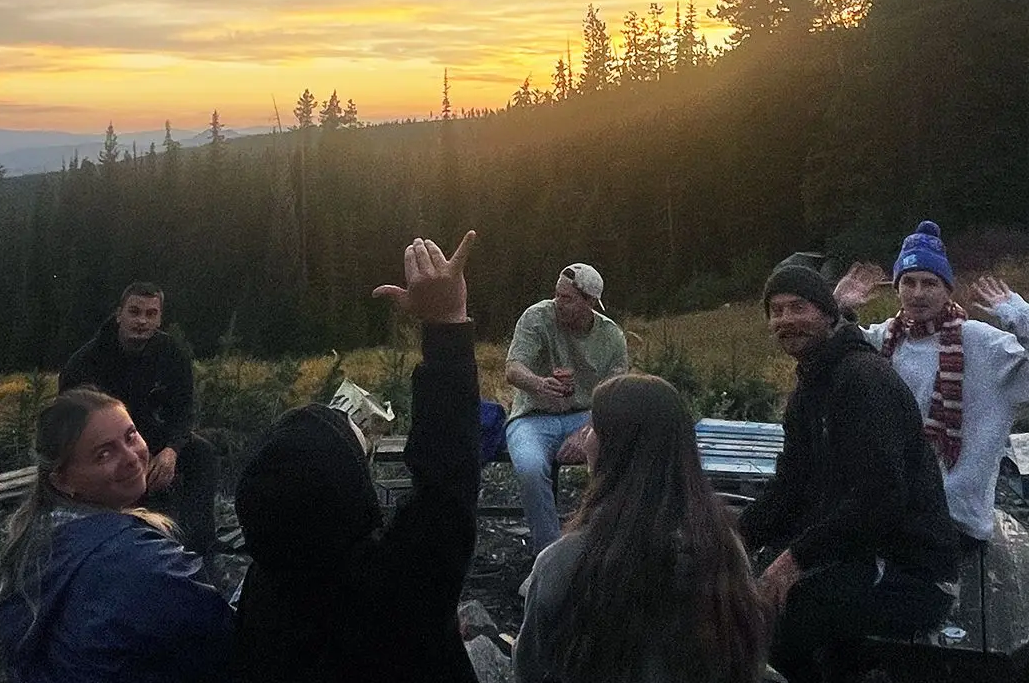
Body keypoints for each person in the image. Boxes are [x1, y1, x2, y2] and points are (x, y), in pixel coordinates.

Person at [232, 231, 481, 683]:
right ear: (350, 494)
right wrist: (446, 321)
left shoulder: (264, 592)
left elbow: (446, 488)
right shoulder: (401, 587)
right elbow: (449, 477)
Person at [739, 263, 960, 683]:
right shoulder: (811, 387)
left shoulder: (860, 381)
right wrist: (734, 539)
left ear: (826, 313)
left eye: (798, 307)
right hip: (863, 552)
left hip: (911, 570)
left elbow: (880, 500)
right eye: (776, 311)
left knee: (779, 620)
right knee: (754, 591)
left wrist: (793, 560)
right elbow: (789, 485)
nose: (786, 320)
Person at [513, 373, 770, 683]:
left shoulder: (565, 560)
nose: (585, 438)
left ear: (616, 446)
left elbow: (528, 668)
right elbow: (748, 657)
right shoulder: (723, 547)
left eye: (593, 427)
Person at [0, 386, 233, 683]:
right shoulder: (143, 561)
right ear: (62, 480)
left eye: (131, 436)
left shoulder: (34, 539)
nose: (131, 458)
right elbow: (225, 638)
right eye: (104, 453)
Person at [839, 221, 1029, 546]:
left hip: (956, 522)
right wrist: (838, 309)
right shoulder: (888, 339)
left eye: (929, 283)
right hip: (890, 512)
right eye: (908, 282)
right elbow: (833, 352)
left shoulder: (981, 343)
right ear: (897, 287)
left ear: (946, 289)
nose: (917, 293)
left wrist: (1019, 314)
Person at [59, 281, 218, 556]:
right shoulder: (86, 363)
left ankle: (197, 545)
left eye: (151, 314)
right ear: (119, 314)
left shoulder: (172, 353)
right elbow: (68, 424)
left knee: (203, 454)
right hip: (105, 449)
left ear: (159, 318)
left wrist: (171, 451)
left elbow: (184, 410)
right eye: (135, 312)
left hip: (155, 442)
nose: (142, 321)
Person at [504, 263, 628, 559]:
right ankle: (548, 557)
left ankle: (604, 546)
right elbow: (512, 368)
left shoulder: (611, 337)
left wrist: (587, 430)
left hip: (587, 415)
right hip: (533, 417)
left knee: (619, 458)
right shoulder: (537, 317)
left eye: (568, 299)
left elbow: (616, 394)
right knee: (530, 468)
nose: (559, 303)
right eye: (557, 295)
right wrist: (537, 383)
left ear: (590, 303)